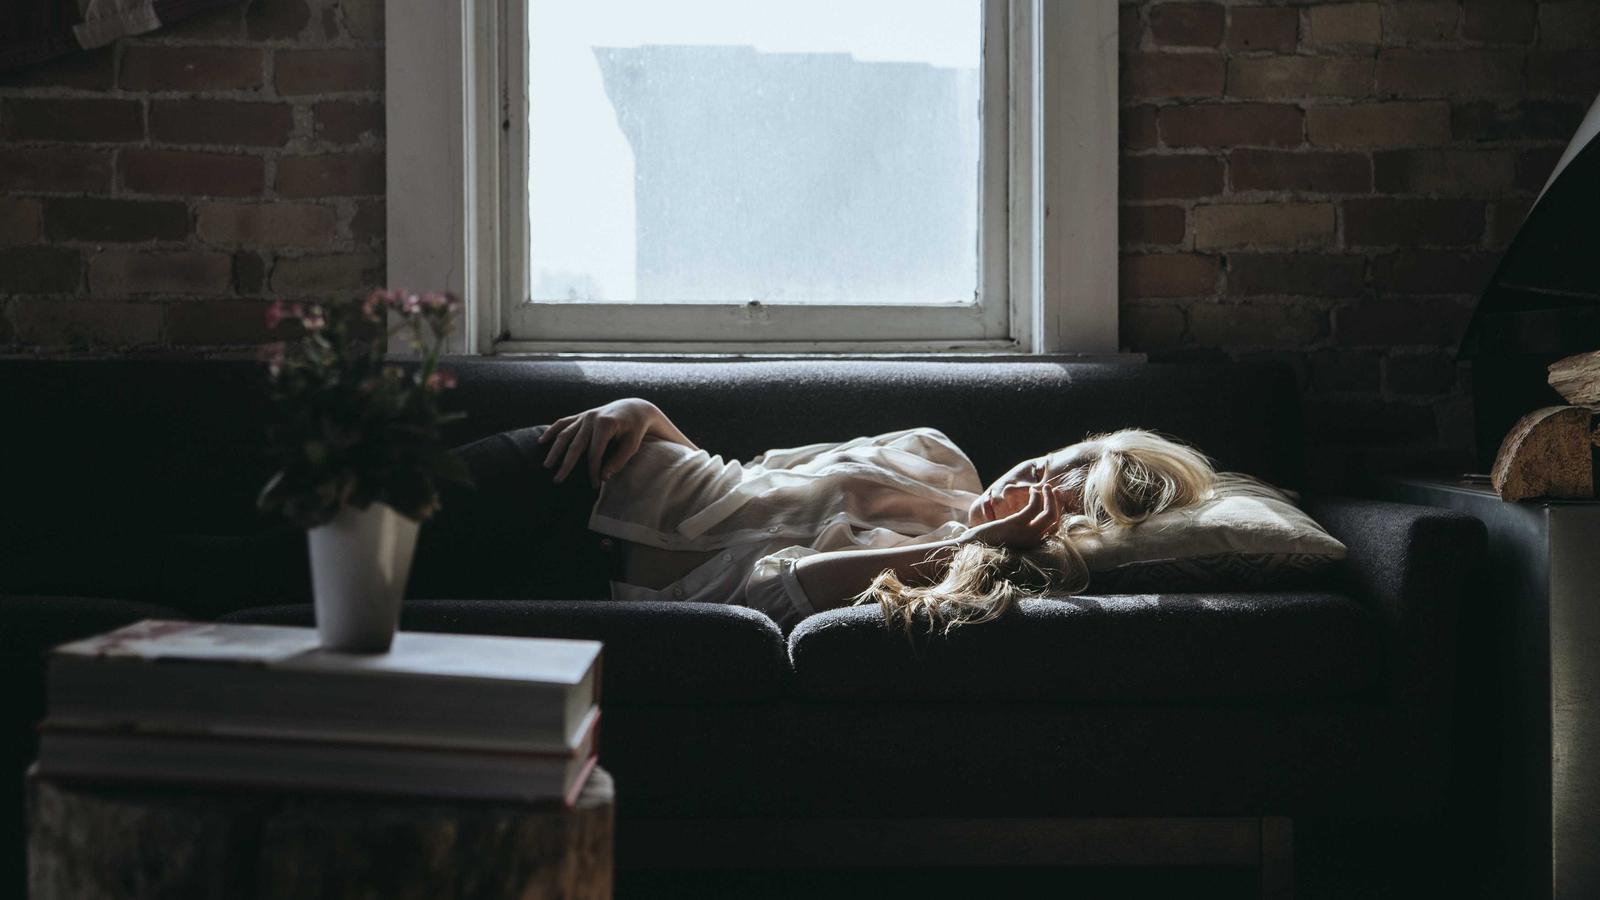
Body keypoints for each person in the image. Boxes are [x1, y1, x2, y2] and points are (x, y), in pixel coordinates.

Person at [511, 397, 1217, 634]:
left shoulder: (966, 578)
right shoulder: (934, 453)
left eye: (1053, 499)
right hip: (582, 471)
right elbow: (752, 474)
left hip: (586, 589)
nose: (1026, 481)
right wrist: (643, 414)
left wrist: (977, 543)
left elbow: (771, 587)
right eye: (1042, 464)